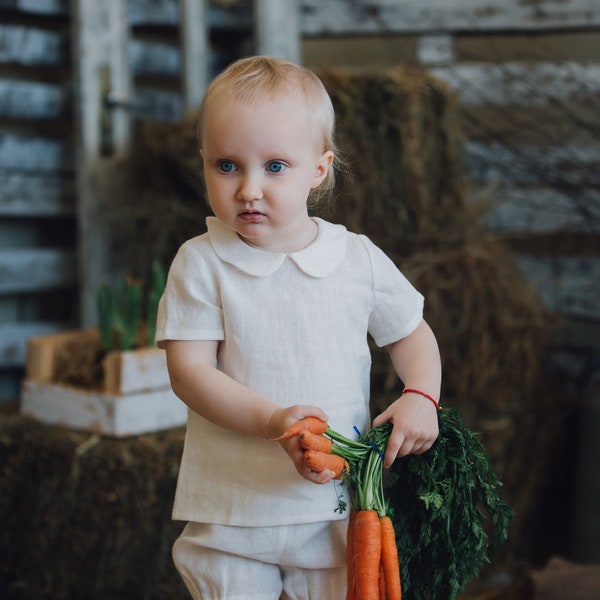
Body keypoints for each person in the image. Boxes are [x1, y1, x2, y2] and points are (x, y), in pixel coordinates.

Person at [155, 55, 442, 600]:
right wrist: (271, 420)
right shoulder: (203, 262)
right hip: (233, 511)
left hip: (335, 510)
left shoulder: (355, 258)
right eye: (227, 165)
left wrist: (421, 395)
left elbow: (410, 333)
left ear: (319, 169)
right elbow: (189, 372)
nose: (249, 188)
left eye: (276, 166)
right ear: (204, 164)